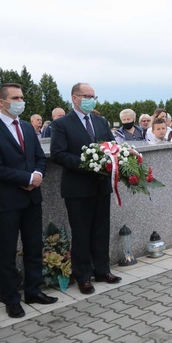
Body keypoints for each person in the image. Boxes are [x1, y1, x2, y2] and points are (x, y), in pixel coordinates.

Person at [0, 83, 57, 318]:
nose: (20, 101)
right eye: (15, 97)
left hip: (32, 198)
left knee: (34, 246)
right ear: (1, 103)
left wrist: (38, 175)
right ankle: (11, 298)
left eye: (22, 97)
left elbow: (39, 158)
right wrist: (26, 178)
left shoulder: (26, 127)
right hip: (8, 201)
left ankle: (33, 291)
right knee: (8, 251)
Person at [50, 82, 121, 295]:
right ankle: (82, 276)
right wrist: (87, 163)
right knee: (81, 232)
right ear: (74, 98)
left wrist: (112, 160)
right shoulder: (62, 124)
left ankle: (102, 270)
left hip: (101, 186)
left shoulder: (101, 121)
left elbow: (111, 147)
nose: (90, 99)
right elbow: (58, 154)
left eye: (93, 96)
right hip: (77, 187)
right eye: (86, 95)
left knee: (101, 229)